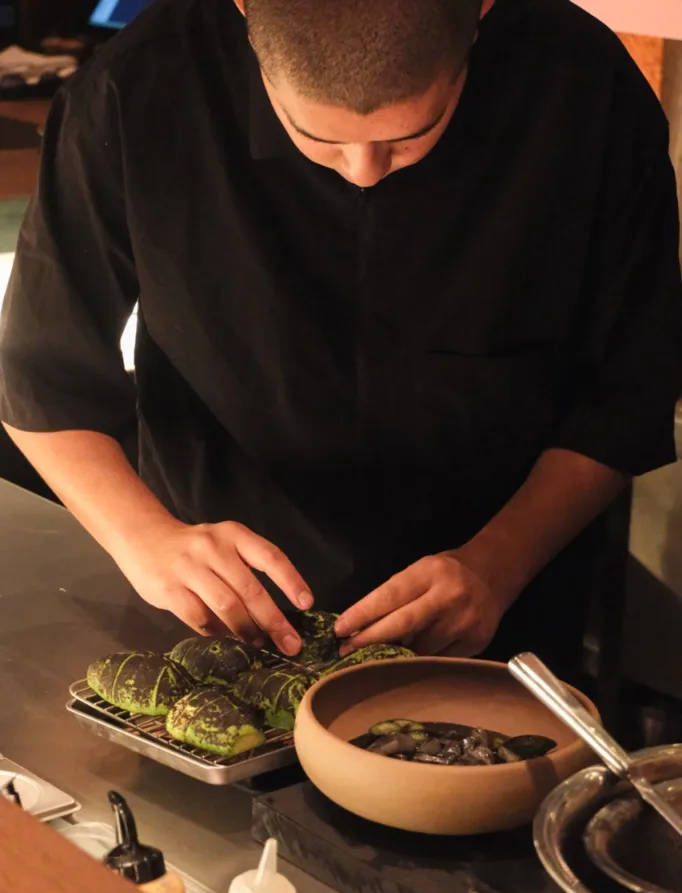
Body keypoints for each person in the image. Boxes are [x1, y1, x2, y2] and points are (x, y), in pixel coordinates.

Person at [1, 0, 681, 680]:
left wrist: (498, 564)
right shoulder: (139, 84)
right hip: (217, 607)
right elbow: (41, 375)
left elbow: (625, 391)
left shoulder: (587, 88)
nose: (364, 171)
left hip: (500, 600)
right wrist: (146, 539)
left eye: (410, 135)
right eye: (318, 138)